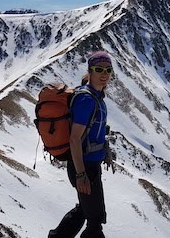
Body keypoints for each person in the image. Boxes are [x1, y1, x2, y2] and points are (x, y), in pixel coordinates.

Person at [49, 51, 114, 238]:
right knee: (95, 222)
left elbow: (95, 130)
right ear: (90, 70)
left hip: (89, 167)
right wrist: (81, 174)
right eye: (99, 69)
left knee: (85, 211)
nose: (104, 73)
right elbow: (74, 139)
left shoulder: (97, 96)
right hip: (84, 168)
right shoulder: (87, 99)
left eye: (108, 70)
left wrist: (104, 150)